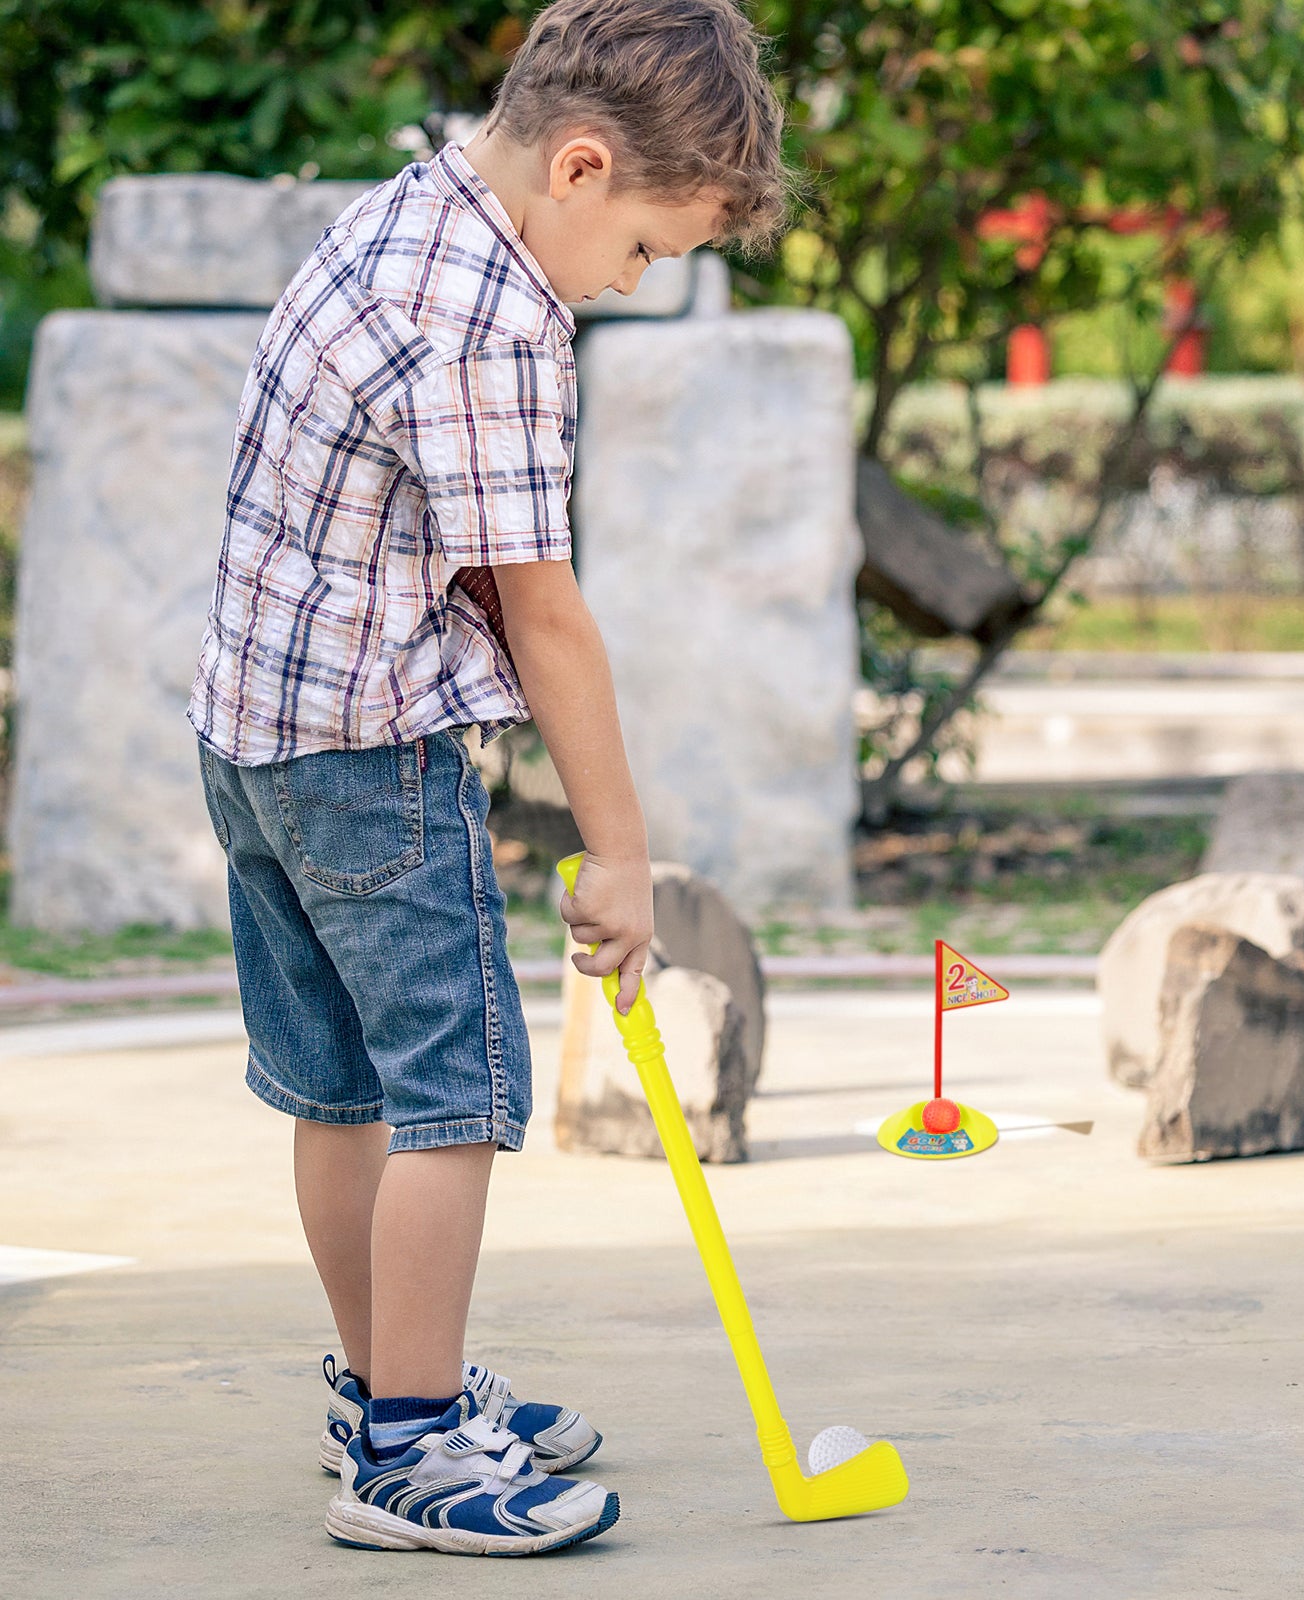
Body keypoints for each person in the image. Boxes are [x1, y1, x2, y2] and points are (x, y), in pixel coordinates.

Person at [188, 0, 788, 1557]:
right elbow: (544, 609)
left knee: (339, 1088)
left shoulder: (394, 216)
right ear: (580, 169)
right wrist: (620, 850)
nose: (630, 284)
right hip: (372, 764)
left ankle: (393, 1381)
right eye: (647, 251)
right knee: (447, 1108)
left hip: (250, 737)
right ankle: (408, 1452)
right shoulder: (497, 317)